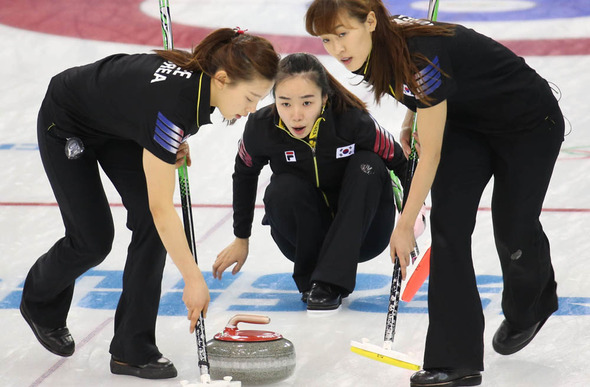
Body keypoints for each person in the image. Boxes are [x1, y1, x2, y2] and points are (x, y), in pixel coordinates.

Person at [305, 1, 564, 386]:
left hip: (526, 123)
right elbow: (428, 93)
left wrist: (405, 223)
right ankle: (454, 361)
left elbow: (431, 152)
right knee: (448, 226)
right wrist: (414, 115)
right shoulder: (378, 50)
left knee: (513, 225)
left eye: (343, 34)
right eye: (327, 39)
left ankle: (532, 304)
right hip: (464, 124)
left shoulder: (418, 54)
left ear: (371, 21)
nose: (337, 49)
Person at [20, 28, 279, 380]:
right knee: (92, 240)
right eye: (250, 97)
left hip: (117, 126)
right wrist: (193, 279)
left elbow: (151, 113)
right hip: (68, 118)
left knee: (151, 230)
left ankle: (132, 348)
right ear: (222, 79)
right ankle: (39, 300)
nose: (251, 110)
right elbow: (162, 207)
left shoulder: (195, 89)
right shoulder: (175, 106)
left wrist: (168, 142)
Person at [212, 52, 408, 312]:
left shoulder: (351, 119)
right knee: (282, 188)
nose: (296, 115)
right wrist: (241, 238)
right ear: (274, 100)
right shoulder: (261, 127)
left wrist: (411, 219)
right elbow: (244, 173)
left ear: (324, 98)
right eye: (285, 103)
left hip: (365, 235)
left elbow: (401, 162)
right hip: (303, 242)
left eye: (306, 103)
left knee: (368, 165)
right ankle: (314, 282)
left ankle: (328, 283)